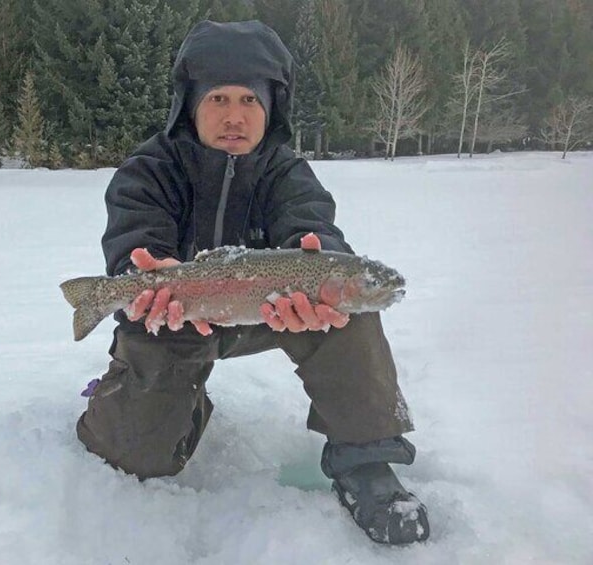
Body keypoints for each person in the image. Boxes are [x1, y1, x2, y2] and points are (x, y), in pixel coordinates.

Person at [75, 20, 429, 545]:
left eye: (249, 100)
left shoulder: (287, 173)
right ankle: (161, 402)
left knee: (350, 314)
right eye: (218, 97)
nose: (234, 115)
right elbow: (133, 241)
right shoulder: (150, 169)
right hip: (176, 316)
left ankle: (366, 459)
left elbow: (315, 227)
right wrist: (141, 274)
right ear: (189, 105)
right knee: (133, 455)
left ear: (272, 109)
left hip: (271, 311)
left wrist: (321, 254)